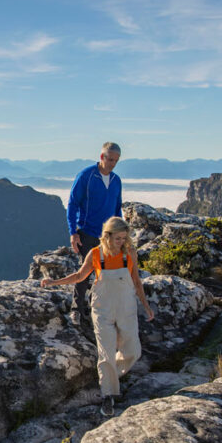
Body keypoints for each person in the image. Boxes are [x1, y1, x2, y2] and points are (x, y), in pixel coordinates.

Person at [41, 216, 154, 416]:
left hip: (126, 308)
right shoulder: (95, 254)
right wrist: (53, 282)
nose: (122, 242)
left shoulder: (130, 253)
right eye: (118, 238)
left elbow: (136, 281)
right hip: (102, 309)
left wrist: (146, 307)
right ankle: (107, 394)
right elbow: (79, 277)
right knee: (106, 352)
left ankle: (110, 375)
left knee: (133, 351)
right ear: (107, 236)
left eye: (124, 238)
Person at [67, 142, 124, 321]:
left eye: (116, 161)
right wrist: (73, 232)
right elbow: (72, 204)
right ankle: (76, 308)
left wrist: (120, 234)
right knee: (85, 271)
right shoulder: (86, 176)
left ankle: (97, 306)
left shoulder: (116, 181)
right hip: (87, 232)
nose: (112, 164)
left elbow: (117, 208)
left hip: (108, 235)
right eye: (110, 159)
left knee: (106, 273)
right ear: (101, 157)